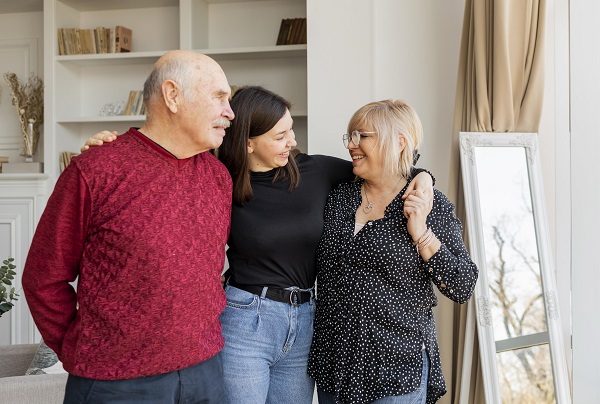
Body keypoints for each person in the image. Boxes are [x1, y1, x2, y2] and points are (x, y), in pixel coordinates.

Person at [82, 86, 435, 404]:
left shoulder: (316, 172)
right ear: (249, 141)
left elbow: (389, 170)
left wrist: (425, 179)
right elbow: (155, 171)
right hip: (245, 320)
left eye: (291, 131)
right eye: (280, 136)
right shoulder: (215, 180)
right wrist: (107, 151)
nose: (292, 142)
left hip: (305, 321)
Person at [22, 50, 235, 403]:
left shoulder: (217, 176)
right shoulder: (95, 171)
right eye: (219, 97)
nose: (230, 111)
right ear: (172, 96)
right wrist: (80, 348)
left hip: (206, 373)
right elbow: (43, 278)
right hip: (115, 383)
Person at [308, 99, 478, 404]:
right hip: (335, 365)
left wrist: (421, 234)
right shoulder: (337, 196)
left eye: (363, 136)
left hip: (396, 369)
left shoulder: (430, 203)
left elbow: (462, 285)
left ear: (400, 142)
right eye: (350, 137)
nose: (352, 145)